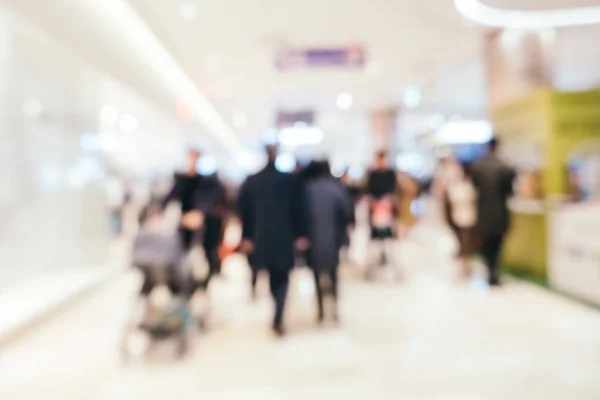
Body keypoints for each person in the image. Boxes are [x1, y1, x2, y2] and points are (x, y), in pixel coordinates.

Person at [238, 145, 308, 336]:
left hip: (263, 237)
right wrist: (301, 234)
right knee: (282, 277)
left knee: (271, 276)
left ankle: (277, 314)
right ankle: (278, 314)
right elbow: (299, 210)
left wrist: (246, 237)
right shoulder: (289, 181)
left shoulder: (253, 181)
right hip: (284, 236)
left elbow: (245, 213)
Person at [162, 149, 221, 289]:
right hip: (183, 225)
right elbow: (170, 198)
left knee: (202, 258)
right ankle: (182, 285)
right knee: (180, 256)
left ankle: (200, 287)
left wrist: (199, 213)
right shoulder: (182, 180)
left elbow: (209, 201)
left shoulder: (206, 182)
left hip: (202, 228)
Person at [304, 160, 352, 324]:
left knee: (317, 275)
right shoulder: (336, 189)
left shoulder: (308, 189)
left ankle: (321, 311)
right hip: (333, 240)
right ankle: (335, 308)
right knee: (333, 274)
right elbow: (345, 212)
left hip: (313, 240)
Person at [471, 138, 516, 286]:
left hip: (483, 212)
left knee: (487, 244)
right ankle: (493, 273)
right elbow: (510, 192)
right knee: (497, 244)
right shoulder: (505, 167)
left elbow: (474, 189)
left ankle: (490, 271)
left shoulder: (478, 167)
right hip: (500, 212)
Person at [365, 151, 398, 276]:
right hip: (376, 208)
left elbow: (393, 190)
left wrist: (389, 201)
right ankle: (377, 257)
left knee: (387, 234)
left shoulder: (390, 174)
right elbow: (369, 190)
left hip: (387, 208)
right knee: (376, 235)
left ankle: (387, 256)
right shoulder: (373, 174)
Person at [447, 163, 478, 279]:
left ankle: (466, 266)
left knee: (466, 242)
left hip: (468, 217)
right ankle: (464, 265)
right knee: (463, 242)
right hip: (459, 217)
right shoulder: (460, 186)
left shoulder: (468, 186)